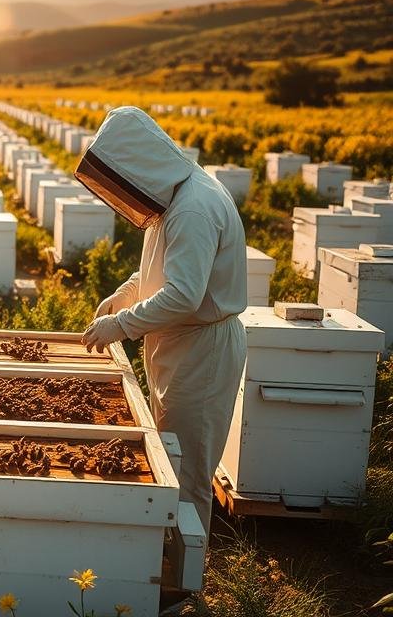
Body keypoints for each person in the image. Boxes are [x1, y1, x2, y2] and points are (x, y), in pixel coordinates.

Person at [76, 106, 247, 535]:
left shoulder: (193, 208)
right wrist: (124, 296)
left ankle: (182, 586)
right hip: (178, 343)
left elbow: (185, 295)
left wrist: (123, 324)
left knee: (186, 472)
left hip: (201, 350)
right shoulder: (176, 196)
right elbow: (159, 270)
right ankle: (162, 565)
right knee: (170, 456)